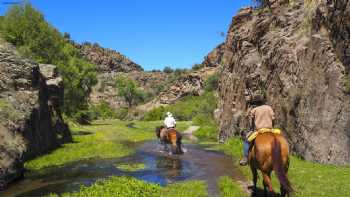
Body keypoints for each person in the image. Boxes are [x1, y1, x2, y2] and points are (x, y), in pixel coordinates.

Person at [239, 95, 276, 166]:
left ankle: (245, 158)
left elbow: (252, 123)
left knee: (246, 141)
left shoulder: (254, 110)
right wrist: (272, 127)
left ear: (256, 103)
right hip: (270, 129)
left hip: (259, 130)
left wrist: (252, 129)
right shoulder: (269, 108)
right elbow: (273, 119)